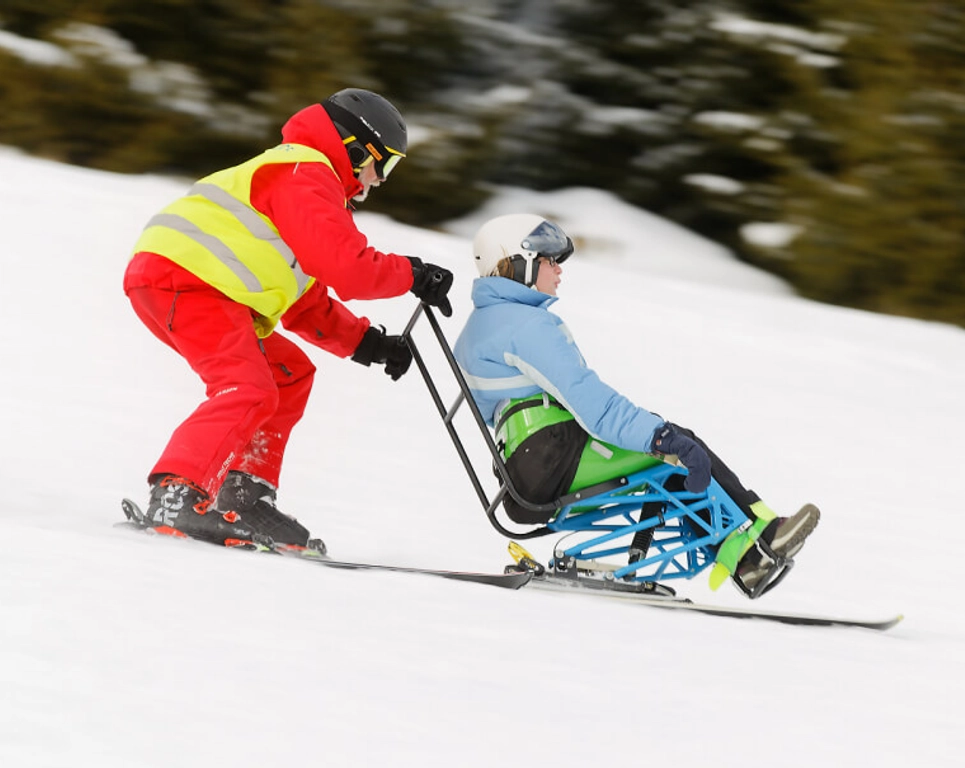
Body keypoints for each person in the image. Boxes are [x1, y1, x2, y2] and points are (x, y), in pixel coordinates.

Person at [124, 88, 454, 554]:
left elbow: (305, 300)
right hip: (186, 278)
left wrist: (369, 344)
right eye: (383, 164)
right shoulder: (305, 173)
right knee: (247, 385)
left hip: (195, 284)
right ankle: (175, 493)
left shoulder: (308, 187)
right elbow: (348, 268)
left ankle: (244, 494)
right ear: (354, 148)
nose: (380, 180)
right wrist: (412, 274)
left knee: (288, 373)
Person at [452, 213, 819, 597]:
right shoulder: (527, 325)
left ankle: (743, 552)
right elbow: (596, 407)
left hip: (519, 477)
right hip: (553, 461)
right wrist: (660, 437)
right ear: (518, 263)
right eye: (549, 260)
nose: (559, 270)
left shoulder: (479, 328)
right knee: (680, 445)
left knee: (670, 452)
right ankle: (758, 541)